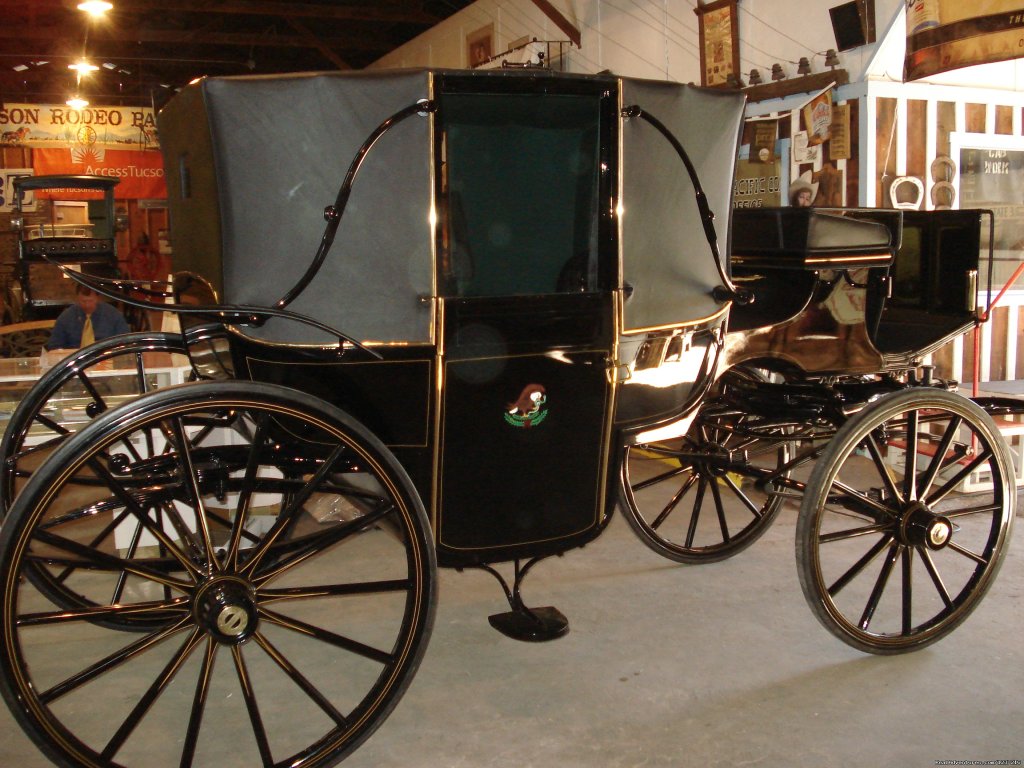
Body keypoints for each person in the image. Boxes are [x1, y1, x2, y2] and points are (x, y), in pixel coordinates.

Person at [46, 284, 130, 350]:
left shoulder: (113, 315)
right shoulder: (66, 317)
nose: (87, 305)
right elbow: (54, 346)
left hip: (106, 360)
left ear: (98, 298)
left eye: (90, 301)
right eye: (83, 301)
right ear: (77, 298)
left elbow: (125, 342)